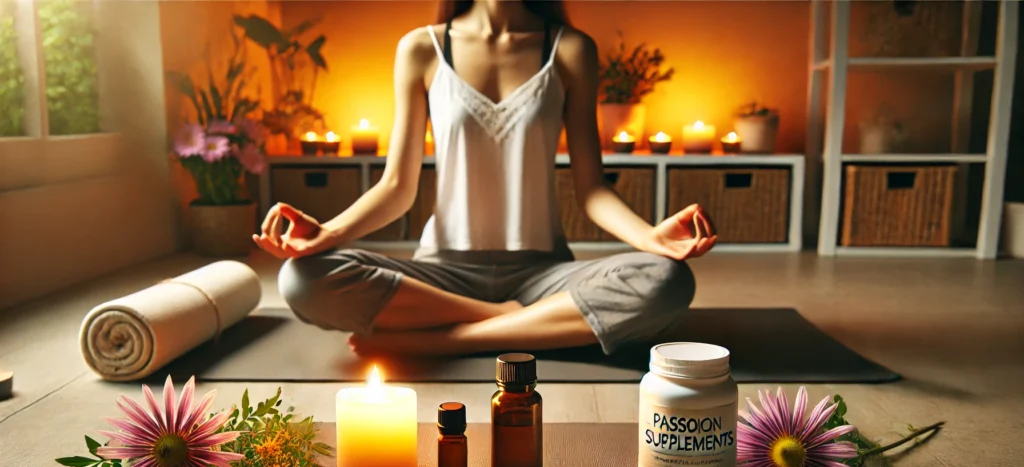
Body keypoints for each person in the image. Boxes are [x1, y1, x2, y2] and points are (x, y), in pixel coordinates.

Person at [254, 0, 718, 356]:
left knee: (667, 280)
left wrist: (651, 237)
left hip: (543, 274)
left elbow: (592, 190)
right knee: (301, 279)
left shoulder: (571, 48)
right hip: (439, 278)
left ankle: (445, 342)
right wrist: (327, 234)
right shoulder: (422, 47)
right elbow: (398, 187)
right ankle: (509, 323)